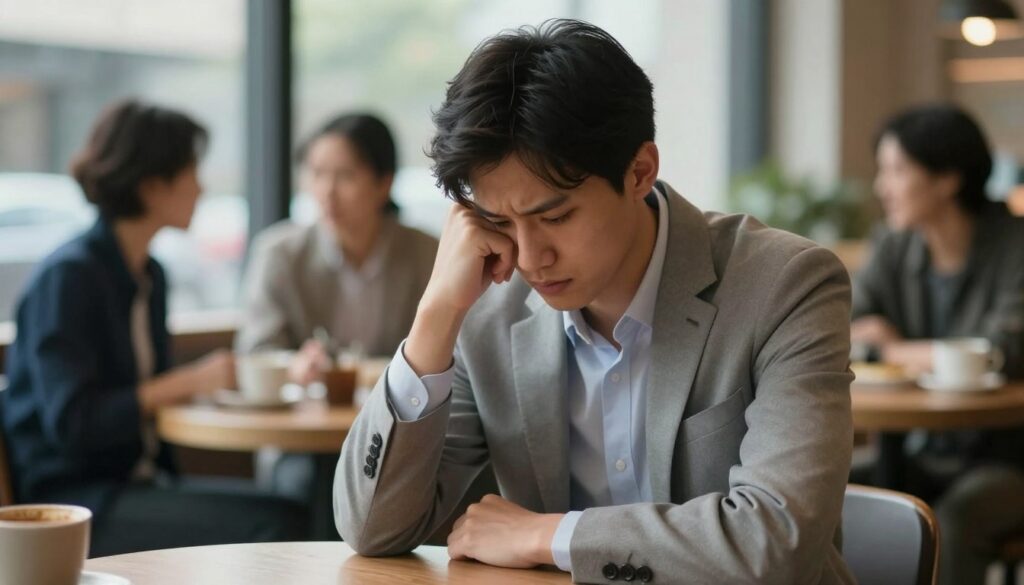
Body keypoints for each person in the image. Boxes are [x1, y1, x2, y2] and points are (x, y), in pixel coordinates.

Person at [334, 20, 855, 584]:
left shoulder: (785, 285)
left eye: (555, 217)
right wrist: (435, 314)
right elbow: (372, 528)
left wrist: (550, 535)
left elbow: (776, 544)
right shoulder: (487, 305)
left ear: (640, 172)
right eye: (498, 221)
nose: (530, 257)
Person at [0, 100, 307, 556]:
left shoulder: (150, 273)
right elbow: (74, 423)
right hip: (74, 503)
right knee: (281, 521)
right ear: (151, 185)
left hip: (137, 484)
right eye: (191, 171)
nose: (201, 187)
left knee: (293, 507)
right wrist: (190, 381)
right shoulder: (70, 278)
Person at [851, 104, 1024, 585]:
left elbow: (1003, 350)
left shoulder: (1016, 245)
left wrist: (893, 349)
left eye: (897, 170)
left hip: (1008, 457)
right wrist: (893, 345)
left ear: (948, 179)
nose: (881, 187)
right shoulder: (894, 244)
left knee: (951, 522)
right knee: (825, 495)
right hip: (922, 449)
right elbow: (849, 324)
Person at [236, 113, 438, 384]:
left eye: (345, 176)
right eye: (317, 174)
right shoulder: (280, 254)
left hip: (399, 404)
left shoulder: (426, 253)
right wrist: (295, 365)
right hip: (308, 406)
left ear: (384, 183)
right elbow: (256, 351)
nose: (327, 191)